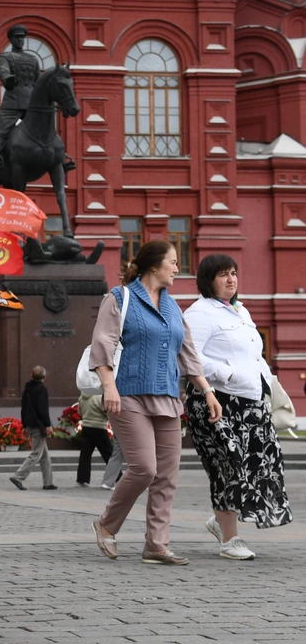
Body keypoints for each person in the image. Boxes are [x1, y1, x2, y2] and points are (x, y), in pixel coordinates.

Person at [89, 240, 221, 566]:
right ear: (153, 266)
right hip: (127, 395)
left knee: (167, 475)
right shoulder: (120, 298)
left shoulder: (173, 307)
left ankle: (156, 545)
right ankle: (106, 525)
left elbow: (188, 354)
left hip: (168, 397)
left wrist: (207, 391)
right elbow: (103, 344)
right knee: (145, 468)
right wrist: (109, 388)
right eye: (173, 262)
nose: (177, 268)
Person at [183, 254, 292, 560]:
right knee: (227, 465)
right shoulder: (200, 313)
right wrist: (226, 373)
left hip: (250, 400)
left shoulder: (240, 310)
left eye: (233, 273)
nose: (231, 279)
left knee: (260, 464)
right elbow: (189, 356)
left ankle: (221, 519)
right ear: (208, 280)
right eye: (223, 275)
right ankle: (230, 539)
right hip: (216, 400)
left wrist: (266, 382)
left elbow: (254, 355)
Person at [0, 24, 41, 170]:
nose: (20, 40)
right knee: (4, 130)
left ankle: (60, 157)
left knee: (45, 128)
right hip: (13, 102)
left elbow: (38, 80)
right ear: (11, 39)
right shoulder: (5, 57)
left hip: (31, 102)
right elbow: (3, 71)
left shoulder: (33, 59)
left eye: (22, 37)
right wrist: (8, 79)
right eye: (17, 37)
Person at [10, 366, 57, 491]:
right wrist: (48, 425)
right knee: (36, 453)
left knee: (44, 455)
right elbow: (43, 410)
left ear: (31, 376)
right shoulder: (42, 389)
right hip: (39, 426)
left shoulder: (27, 389)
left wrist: (25, 426)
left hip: (31, 425)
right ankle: (18, 476)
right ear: (44, 377)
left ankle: (48, 482)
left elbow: (24, 409)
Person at [76, 394, 113, 487]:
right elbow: (105, 411)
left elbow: (79, 412)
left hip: (86, 427)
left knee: (85, 455)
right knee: (108, 454)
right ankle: (117, 477)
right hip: (99, 427)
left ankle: (82, 479)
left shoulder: (82, 397)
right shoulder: (98, 397)